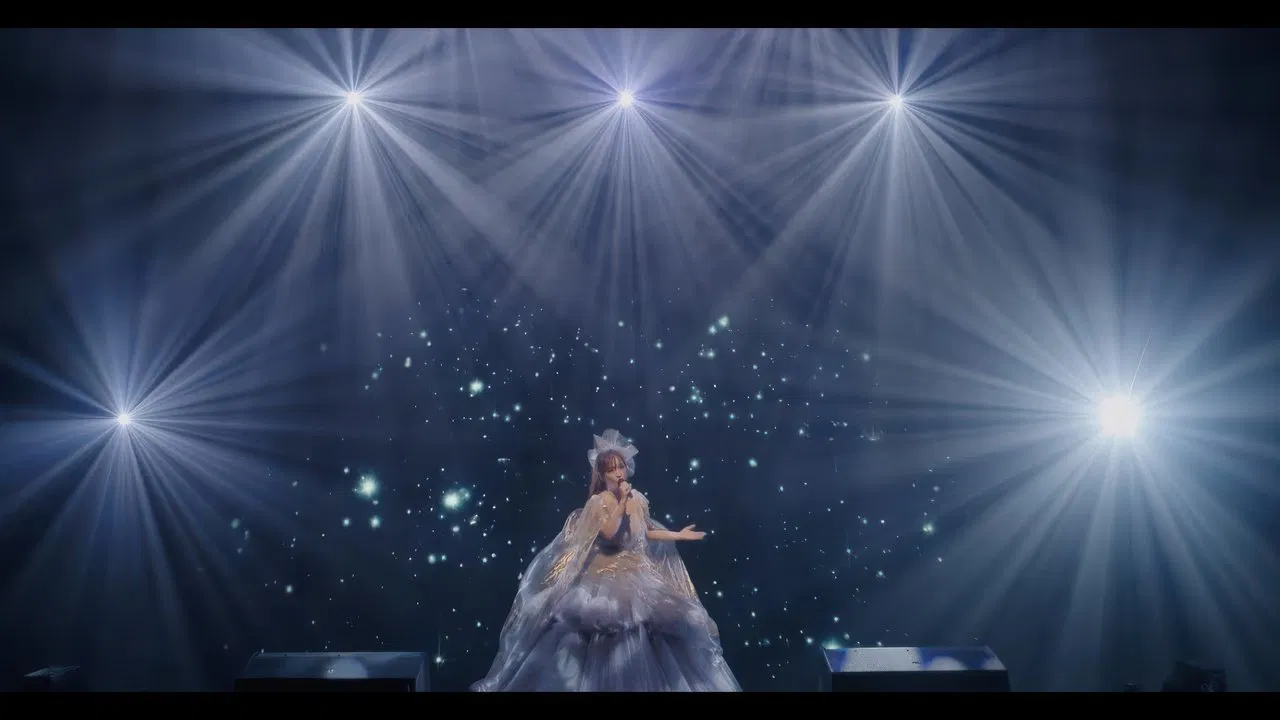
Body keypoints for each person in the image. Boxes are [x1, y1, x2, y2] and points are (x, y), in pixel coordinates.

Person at [472, 429, 741, 691]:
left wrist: (678, 534)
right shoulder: (598, 502)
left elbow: (645, 530)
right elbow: (611, 532)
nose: (619, 473)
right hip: (605, 575)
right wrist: (622, 501)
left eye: (621, 467)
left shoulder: (637, 499)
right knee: (606, 626)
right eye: (612, 469)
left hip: (636, 571)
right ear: (602, 475)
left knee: (656, 625)